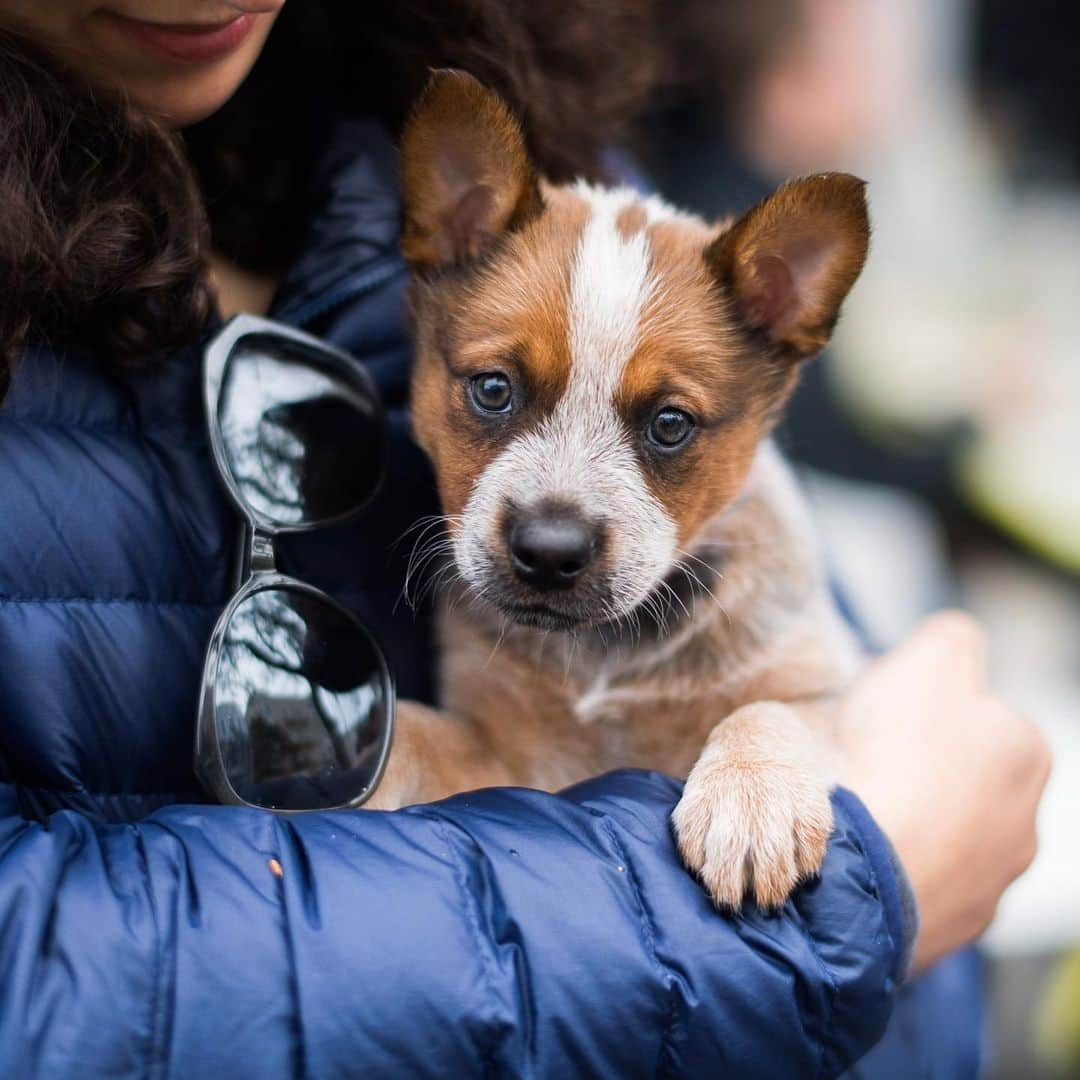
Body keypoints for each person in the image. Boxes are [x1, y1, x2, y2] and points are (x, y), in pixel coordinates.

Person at [0, 2, 1050, 1076]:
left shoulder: (581, 171)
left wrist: (776, 748)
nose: (555, 518)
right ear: (443, 244)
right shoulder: (488, 228)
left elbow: (858, 723)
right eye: (496, 393)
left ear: (786, 321)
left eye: (666, 425)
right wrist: (867, 892)